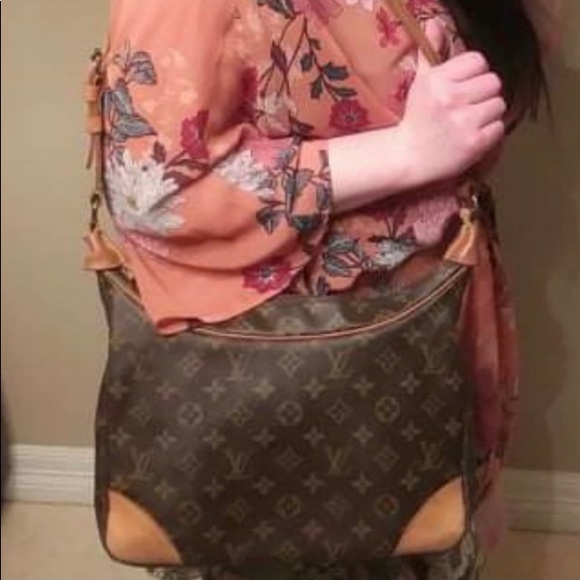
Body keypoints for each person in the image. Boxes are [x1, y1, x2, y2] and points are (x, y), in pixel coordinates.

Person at [101, 0, 556, 578]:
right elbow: (151, 191)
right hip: (282, 383)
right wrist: (404, 152)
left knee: (432, 537)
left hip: (433, 337)